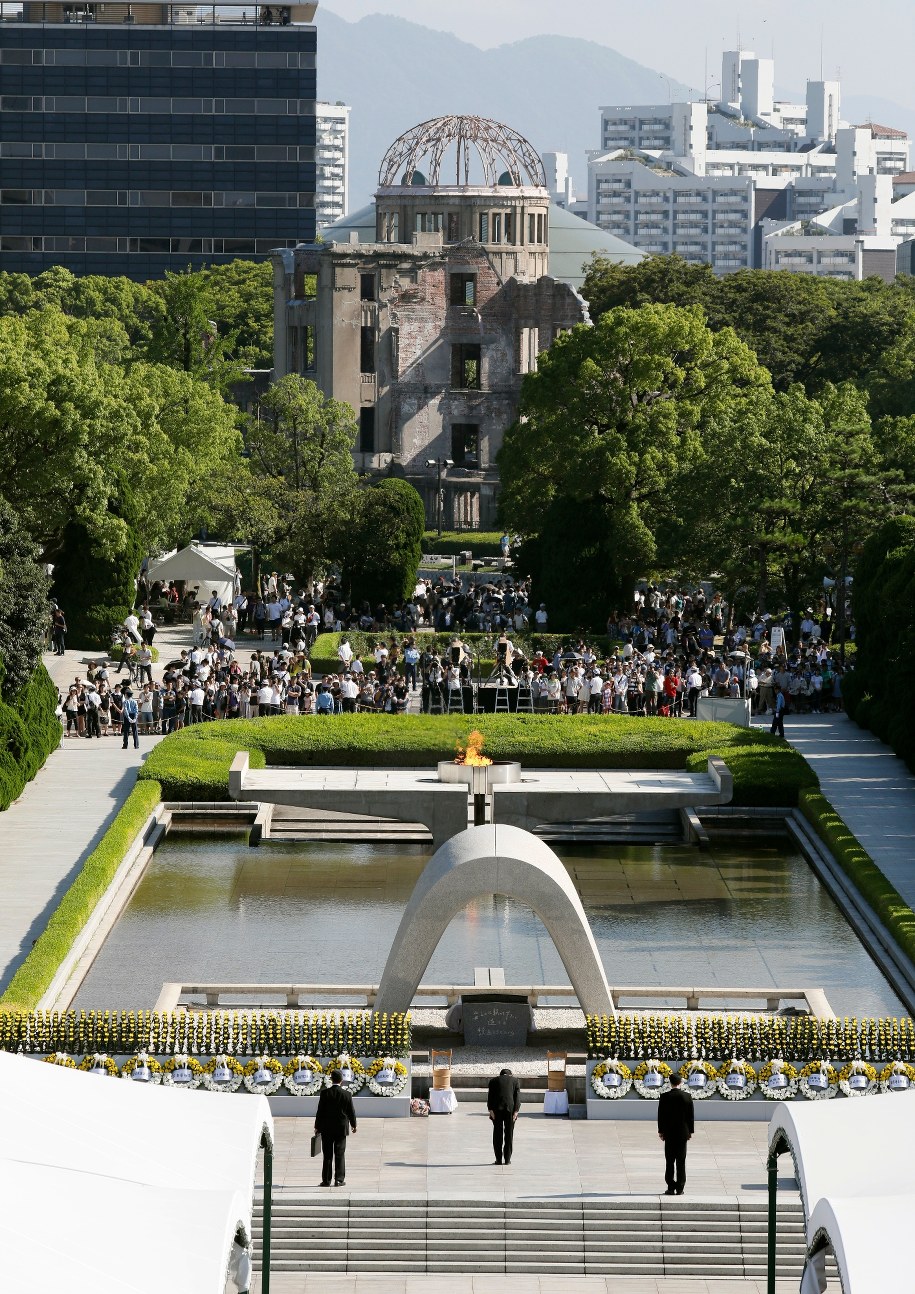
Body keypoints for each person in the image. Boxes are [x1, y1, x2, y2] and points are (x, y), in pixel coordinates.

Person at [314, 1069, 357, 1187]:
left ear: (331, 1079)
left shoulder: (324, 1093)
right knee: (340, 1154)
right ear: (341, 1080)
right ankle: (339, 1179)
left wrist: (317, 1126)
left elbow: (320, 1111)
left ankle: (326, 1180)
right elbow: (351, 1111)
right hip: (341, 1128)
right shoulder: (347, 1094)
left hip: (326, 1128)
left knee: (327, 1155)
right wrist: (353, 1125)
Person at [657, 1072, 694, 1195]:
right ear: (681, 1082)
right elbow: (690, 1116)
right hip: (682, 1133)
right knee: (681, 1160)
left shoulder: (664, 1097)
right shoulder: (687, 1096)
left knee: (669, 1160)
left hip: (669, 1133)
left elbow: (661, 1116)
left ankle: (670, 1186)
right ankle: (680, 1188)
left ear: (670, 1082)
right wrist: (690, 1131)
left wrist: (661, 1131)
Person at [487, 1067, 521, 1165]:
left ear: (500, 1074)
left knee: (497, 1134)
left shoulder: (493, 1081)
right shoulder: (515, 1081)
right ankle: (507, 1159)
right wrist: (516, 1111)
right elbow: (517, 1097)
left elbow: (490, 1096)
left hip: (496, 1110)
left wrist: (490, 1110)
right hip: (510, 1110)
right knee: (509, 1134)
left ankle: (498, 1159)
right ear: (510, 1074)